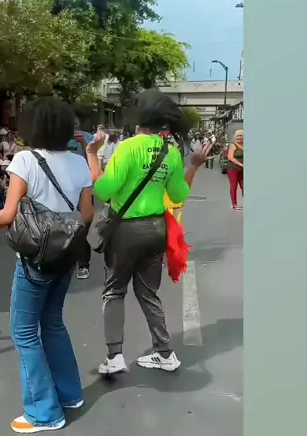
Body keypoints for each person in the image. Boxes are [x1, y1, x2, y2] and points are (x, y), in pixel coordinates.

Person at [0, 97, 94, 434]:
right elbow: (86, 215)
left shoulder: (25, 159)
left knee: (24, 333)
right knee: (53, 323)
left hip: (35, 258)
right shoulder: (79, 162)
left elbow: (7, 215)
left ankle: (44, 413)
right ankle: (70, 394)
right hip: (66, 255)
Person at [86, 89, 212, 375]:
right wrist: (194, 166)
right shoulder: (171, 152)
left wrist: (92, 156)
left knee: (114, 291)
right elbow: (178, 195)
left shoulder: (128, 148)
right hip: (156, 229)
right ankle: (164, 353)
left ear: (138, 117)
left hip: (126, 232)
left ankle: (115, 357)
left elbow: (103, 191)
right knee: (148, 293)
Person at [70, 117, 94, 280]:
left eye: (76, 123)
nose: (74, 126)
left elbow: (94, 158)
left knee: (82, 227)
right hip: (65, 187)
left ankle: (83, 265)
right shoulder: (60, 137)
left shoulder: (88, 137)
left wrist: (84, 143)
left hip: (84, 187)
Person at [226, 129, 244, 209]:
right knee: (234, 186)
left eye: (241, 136)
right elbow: (230, 157)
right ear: (235, 137)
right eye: (238, 136)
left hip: (242, 170)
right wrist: (241, 165)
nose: (239, 137)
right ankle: (234, 204)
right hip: (233, 169)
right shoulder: (233, 145)